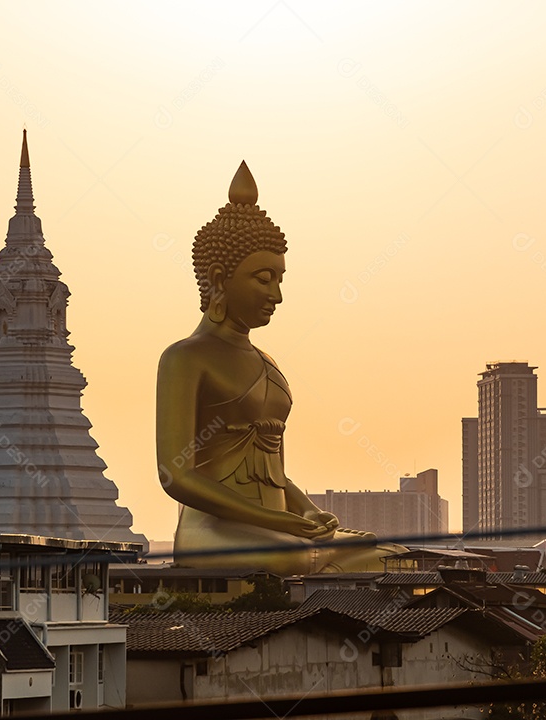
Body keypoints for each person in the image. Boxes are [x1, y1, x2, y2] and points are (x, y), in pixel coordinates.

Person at [156, 162, 405, 574]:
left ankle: (318, 557)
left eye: (280, 279)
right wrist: (277, 522)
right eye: (264, 278)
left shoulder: (267, 363)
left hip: (280, 527)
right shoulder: (185, 357)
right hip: (216, 530)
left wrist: (308, 512)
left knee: (392, 555)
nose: (277, 295)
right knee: (297, 556)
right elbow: (175, 476)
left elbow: (276, 473)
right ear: (219, 277)